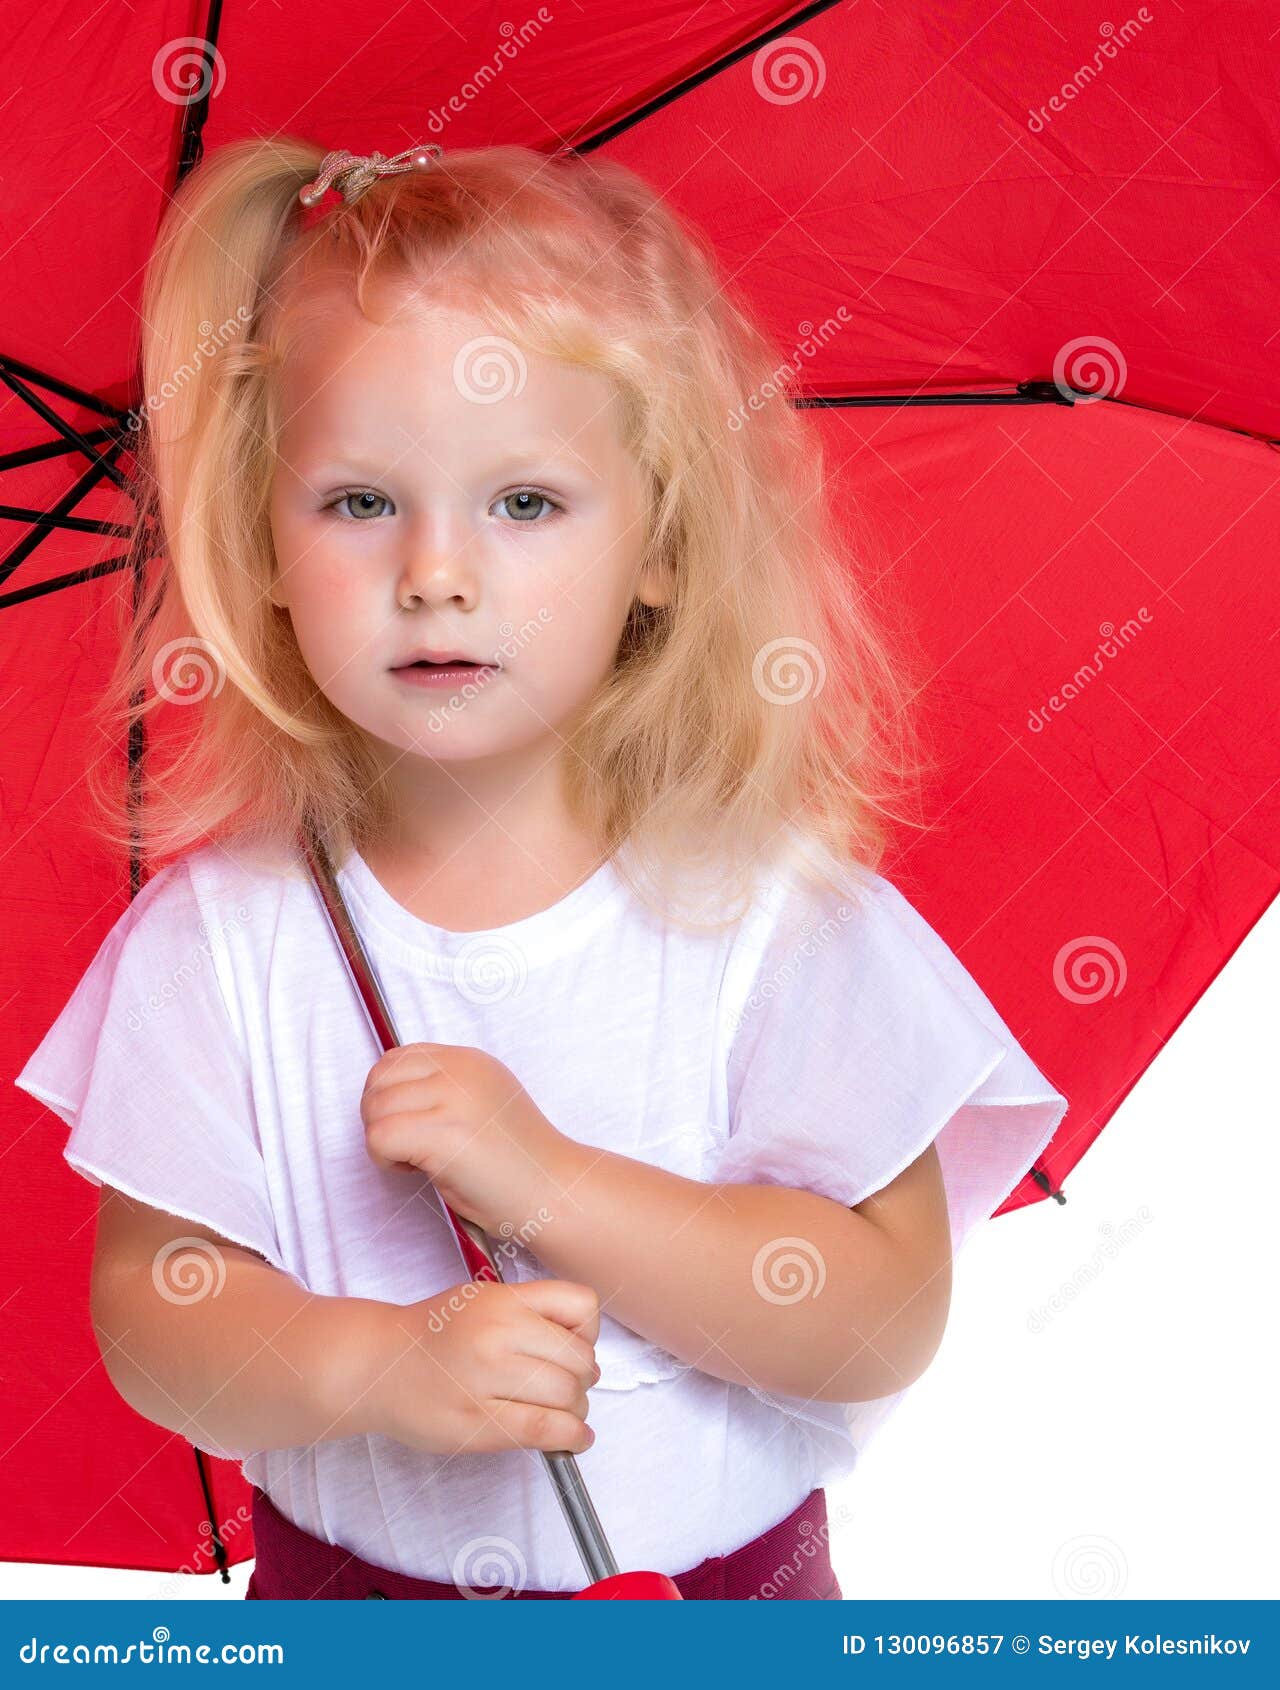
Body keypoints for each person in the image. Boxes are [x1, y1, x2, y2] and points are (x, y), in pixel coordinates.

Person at [13, 136, 1068, 1600]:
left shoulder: (768, 915)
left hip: (726, 1604)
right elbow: (155, 1305)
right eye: (360, 501)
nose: (436, 570)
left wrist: (552, 1182)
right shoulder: (229, 940)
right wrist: (375, 1360)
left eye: (524, 503)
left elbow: (875, 1318)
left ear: (660, 543)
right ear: (259, 541)